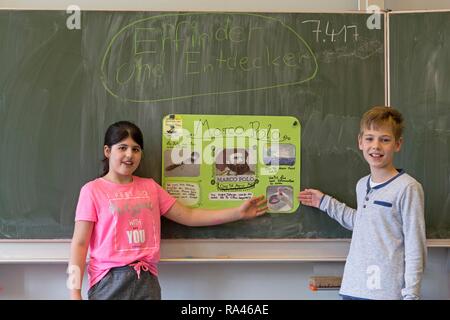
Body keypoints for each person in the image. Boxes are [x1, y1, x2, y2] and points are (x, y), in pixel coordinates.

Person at [68, 121, 268, 300]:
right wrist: (73, 292)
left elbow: (189, 216)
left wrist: (238, 213)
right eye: (122, 147)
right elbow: (79, 244)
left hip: (146, 279)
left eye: (136, 149)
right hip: (107, 281)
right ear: (107, 151)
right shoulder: (92, 190)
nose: (130, 155)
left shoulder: (150, 187)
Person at [298, 106, 426, 300]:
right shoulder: (361, 185)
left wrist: (412, 295)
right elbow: (362, 222)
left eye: (385, 139)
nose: (376, 146)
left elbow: (415, 245)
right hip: (353, 287)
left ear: (398, 144)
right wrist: (324, 202)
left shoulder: (408, 188)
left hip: (385, 292)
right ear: (360, 142)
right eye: (369, 138)